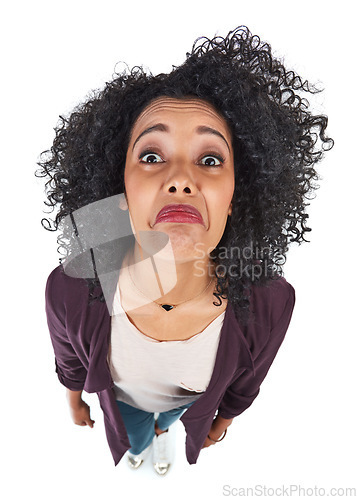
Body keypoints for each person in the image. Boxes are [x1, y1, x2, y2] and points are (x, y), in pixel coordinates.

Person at [36, 26, 333, 475]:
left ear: (235, 197)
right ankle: (141, 446)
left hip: (188, 405)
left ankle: (163, 436)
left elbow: (246, 381)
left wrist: (224, 419)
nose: (179, 178)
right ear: (122, 192)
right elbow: (69, 356)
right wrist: (73, 398)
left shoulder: (271, 301)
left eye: (210, 159)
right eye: (152, 156)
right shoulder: (71, 287)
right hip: (124, 404)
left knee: (167, 421)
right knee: (136, 432)